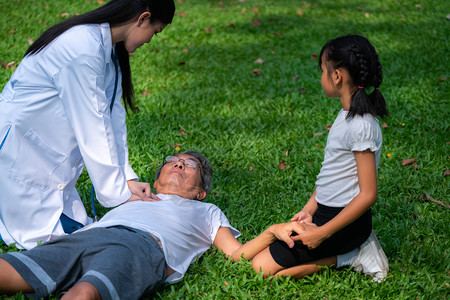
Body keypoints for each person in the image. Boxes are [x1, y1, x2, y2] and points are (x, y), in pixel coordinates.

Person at [0, 0, 176, 250]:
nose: (150, 40)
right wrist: (118, 194)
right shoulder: (82, 46)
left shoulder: (106, 48)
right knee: (48, 241)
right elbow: (92, 125)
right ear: (143, 18)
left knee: (78, 231)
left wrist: (126, 178)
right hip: (20, 148)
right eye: (155, 32)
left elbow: (112, 119)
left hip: (45, 152)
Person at [249, 35, 389, 279]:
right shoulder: (346, 115)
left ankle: (353, 255)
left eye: (323, 71)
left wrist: (322, 232)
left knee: (262, 269)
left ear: (337, 77)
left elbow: (368, 194)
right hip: (326, 216)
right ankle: (349, 253)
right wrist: (309, 209)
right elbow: (331, 172)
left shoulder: (361, 126)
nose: (321, 76)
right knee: (260, 263)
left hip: (343, 226)